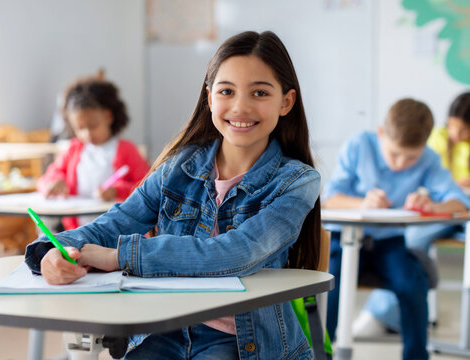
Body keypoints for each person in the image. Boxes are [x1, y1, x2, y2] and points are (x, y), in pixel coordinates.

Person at [25, 31, 322, 360]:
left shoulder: (297, 181)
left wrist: (118, 257)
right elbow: (119, 221)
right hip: (161, 327)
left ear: (286, 102)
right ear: (209, 98)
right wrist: (57, 249)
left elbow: (237, 253)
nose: (241, 106)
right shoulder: (178, 166)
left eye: (260, 92)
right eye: (227, 91)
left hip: (240, 340)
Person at [322, 98, 470, 360]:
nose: (400, 163)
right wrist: (363, 202)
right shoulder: (359, 145)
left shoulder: (429, 159)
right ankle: (320, 354)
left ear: (424, 146)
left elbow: (461, 202)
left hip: (388, 242)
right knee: (328, 289)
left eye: (410, 157)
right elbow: (330, 198)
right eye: (393, 154)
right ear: (381, 133)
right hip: (341, 241)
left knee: (413, 282)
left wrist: (433, 206)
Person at [37, 77, 150, 230]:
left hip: (117, 232)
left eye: (93, 126)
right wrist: (54, 182)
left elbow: (147, 188)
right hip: (77, 230)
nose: (87, 133)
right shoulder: (73, 149)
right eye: (80, 128)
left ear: (108, 116)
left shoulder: (127, 149)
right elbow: (46, 179)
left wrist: (117, 190)